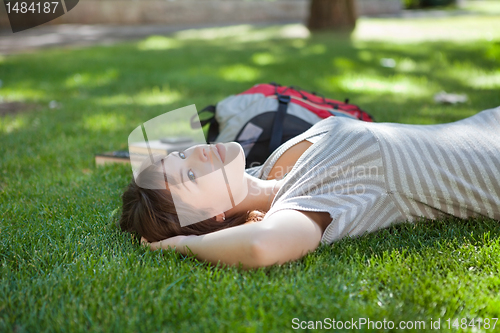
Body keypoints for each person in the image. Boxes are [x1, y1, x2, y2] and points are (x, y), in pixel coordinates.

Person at [119, 106, 500, 269]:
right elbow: (260, 246)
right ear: (216, 216)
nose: (198, 153)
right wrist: (180, 243)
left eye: (182, 155)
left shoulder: (269, 171)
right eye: (190, 177)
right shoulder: (301, 201)